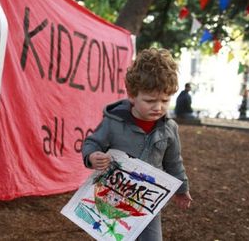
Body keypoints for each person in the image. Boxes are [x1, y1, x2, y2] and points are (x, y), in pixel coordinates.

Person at [82, 48, 192, 241]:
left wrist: (182, 189)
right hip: (113, 196)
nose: (158, 107)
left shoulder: (169, 129)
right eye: (150, 101)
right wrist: (92, 157)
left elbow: (174, 162)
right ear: (132, 95)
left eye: (165, 100)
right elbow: (92, 143)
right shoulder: (114, 122)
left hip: (148, 202)